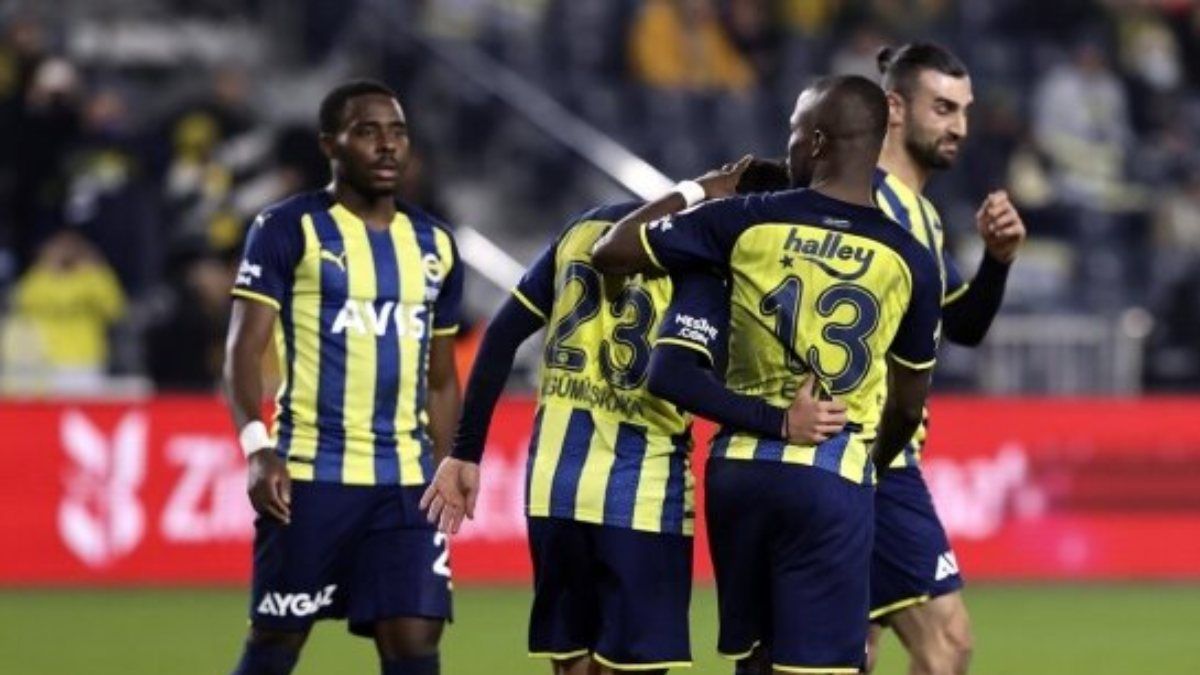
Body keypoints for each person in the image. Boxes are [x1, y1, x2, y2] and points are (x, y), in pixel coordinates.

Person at [420, 163, 846, 675]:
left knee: (573, 665)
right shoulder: (703, 260)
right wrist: (779, 422)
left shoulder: (584, 228)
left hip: (553, 487)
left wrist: (465, 452)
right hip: (640, 491)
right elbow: (674, 377)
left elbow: (501, 336)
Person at [592, 75, 943, 674]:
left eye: (795, 133)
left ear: (818, 142)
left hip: (740, 474)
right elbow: (908, 407)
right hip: (831, 475)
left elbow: (612, 250)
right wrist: (868, 469)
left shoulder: (741, 220)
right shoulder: (910, 258)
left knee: (756, 660)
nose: (789, 147)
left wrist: (700, 188)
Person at [222, 80, 463, 675]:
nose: (387, 145)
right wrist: (257, 447)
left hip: (405, 484)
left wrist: (448, 467)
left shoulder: (435, 245)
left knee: (414, 641)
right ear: (330, 144)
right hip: (310, 476)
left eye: (397, 132)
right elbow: (243, 350)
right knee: (277, 641)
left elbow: (440, 379)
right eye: (367, 131)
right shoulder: (287, 228)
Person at [868, 43, 1026, 675]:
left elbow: (964, 323)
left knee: (847, 650)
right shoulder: (869, 204)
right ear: (894, 108)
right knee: (947, 643)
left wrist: (997, 261)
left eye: (964, 110)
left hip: (854, 459)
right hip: (870, 457)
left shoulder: (921, 217)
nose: (959, 125)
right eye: (942, 108)